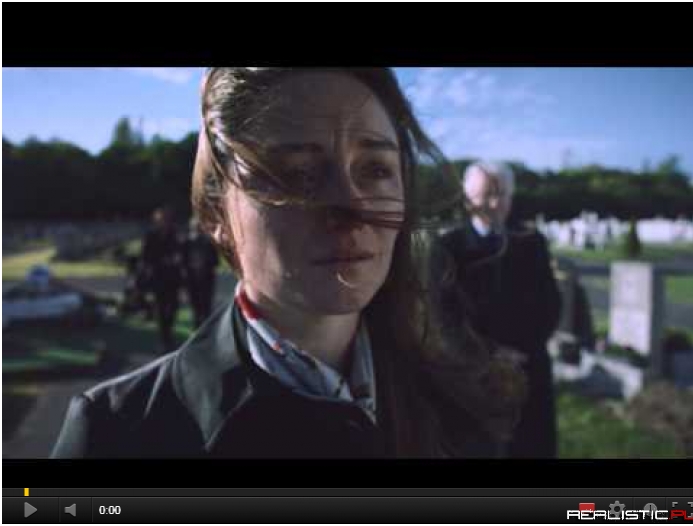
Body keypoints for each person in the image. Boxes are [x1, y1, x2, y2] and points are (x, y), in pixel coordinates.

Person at [51, 68, 524, 459]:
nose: (352, 208)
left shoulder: (461, 396)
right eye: (296, 173)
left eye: (376, 169)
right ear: (216, 212)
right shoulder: (116, 436)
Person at [429, 161, 561, 458]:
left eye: (502, 194)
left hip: (527, 366)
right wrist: (489, 353)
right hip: (470, 371)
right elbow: (443, 315)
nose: (495, 203)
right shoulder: (447, 248)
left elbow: (550, 306)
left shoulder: (532, 243)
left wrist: (520, 349)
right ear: (467, 200)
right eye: (487, 194)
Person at [140, 206, 183, 353]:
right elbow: (146, 257)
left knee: (173, 307)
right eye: (161, 219)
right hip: (158, 278)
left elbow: (179, 253)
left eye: (165, 219)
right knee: (160, 308)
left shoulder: (174, 235)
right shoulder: (151, 236)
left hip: (173, 278)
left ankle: (169, 335)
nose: (163, 222)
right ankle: (164, 338)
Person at [182, 217, 220, 327]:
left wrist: (204, 264)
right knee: (196, 307)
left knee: (206, 307)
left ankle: (206, 329)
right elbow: (183, 262)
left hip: (206, 279)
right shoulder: (187, 242)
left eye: (199, 227)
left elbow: (215, 261)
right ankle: (198, 328)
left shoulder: (208, 243)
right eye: (195, 227)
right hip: (192, 279)